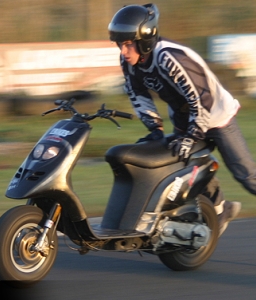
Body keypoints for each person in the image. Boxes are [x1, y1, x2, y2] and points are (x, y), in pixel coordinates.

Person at [107, 3, 256, 236]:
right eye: (120, 44)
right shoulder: (130, 63)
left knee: (247, 175)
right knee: (185, 165)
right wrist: (155, 130)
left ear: (145, 39)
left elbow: (200, 99)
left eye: (128, 44)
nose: (124, 51)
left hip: (217, 117)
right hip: (185, 120)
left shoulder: (169, 57)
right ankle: (220, 209)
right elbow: (139, 96)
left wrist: (191, 137)